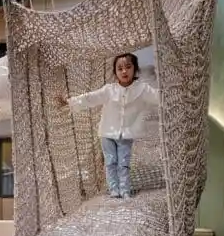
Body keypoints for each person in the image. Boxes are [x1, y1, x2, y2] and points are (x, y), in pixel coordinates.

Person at [61, 53, 159, 199]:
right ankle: (114, 189)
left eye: (128, 67)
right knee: (110, 161)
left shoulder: (142, 89)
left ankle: (125, 189)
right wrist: (71, 102)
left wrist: (174, 90)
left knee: (123, 162)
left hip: (126, 134)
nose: (124, 71)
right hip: (107, 132)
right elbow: (91, 98)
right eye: (120, 68)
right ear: (115, 72)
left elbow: (159, 97)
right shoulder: (109, 90)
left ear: (135, 69)